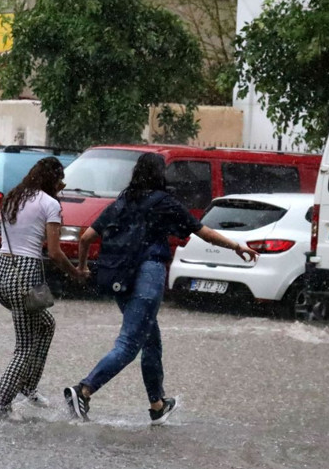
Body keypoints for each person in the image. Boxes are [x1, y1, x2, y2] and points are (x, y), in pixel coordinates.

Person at [64, 152, 258, 424]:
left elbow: (86, 237)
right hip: (148, 275)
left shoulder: (122, 201)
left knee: (150, 340)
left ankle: (157, 405)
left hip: (121, 278)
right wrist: (237, 246)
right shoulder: (163, 202)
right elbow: (202, 231)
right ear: (159, 174)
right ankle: (83, 390)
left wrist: (83, 268)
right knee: (130, 343)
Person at [0, 156, 84, 420]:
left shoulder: (13, 197)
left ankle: (28, 388)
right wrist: (75, 272)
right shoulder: (50, 204)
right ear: (52, 179)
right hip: (26, 275)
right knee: (25, 347)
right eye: (60, 179)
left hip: (1, 273)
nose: (62, 184)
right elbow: (54, 252)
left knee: (46, 325)